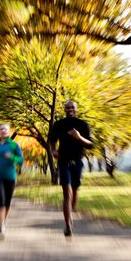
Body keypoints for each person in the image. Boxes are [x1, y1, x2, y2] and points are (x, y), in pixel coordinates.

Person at [50, 100, 93, 237]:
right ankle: (68, 225)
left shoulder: (83, 124)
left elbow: (90, 144)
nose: (70, 110)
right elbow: (51, 140)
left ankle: (71, 212)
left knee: (74, 192)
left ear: (76, 109)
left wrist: (79, 137)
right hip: (63, 161)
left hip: (78, 162)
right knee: (66, 193)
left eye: (72, 107)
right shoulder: (59, 124)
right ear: (64, 109)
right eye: (67, 108)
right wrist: (53, 151)